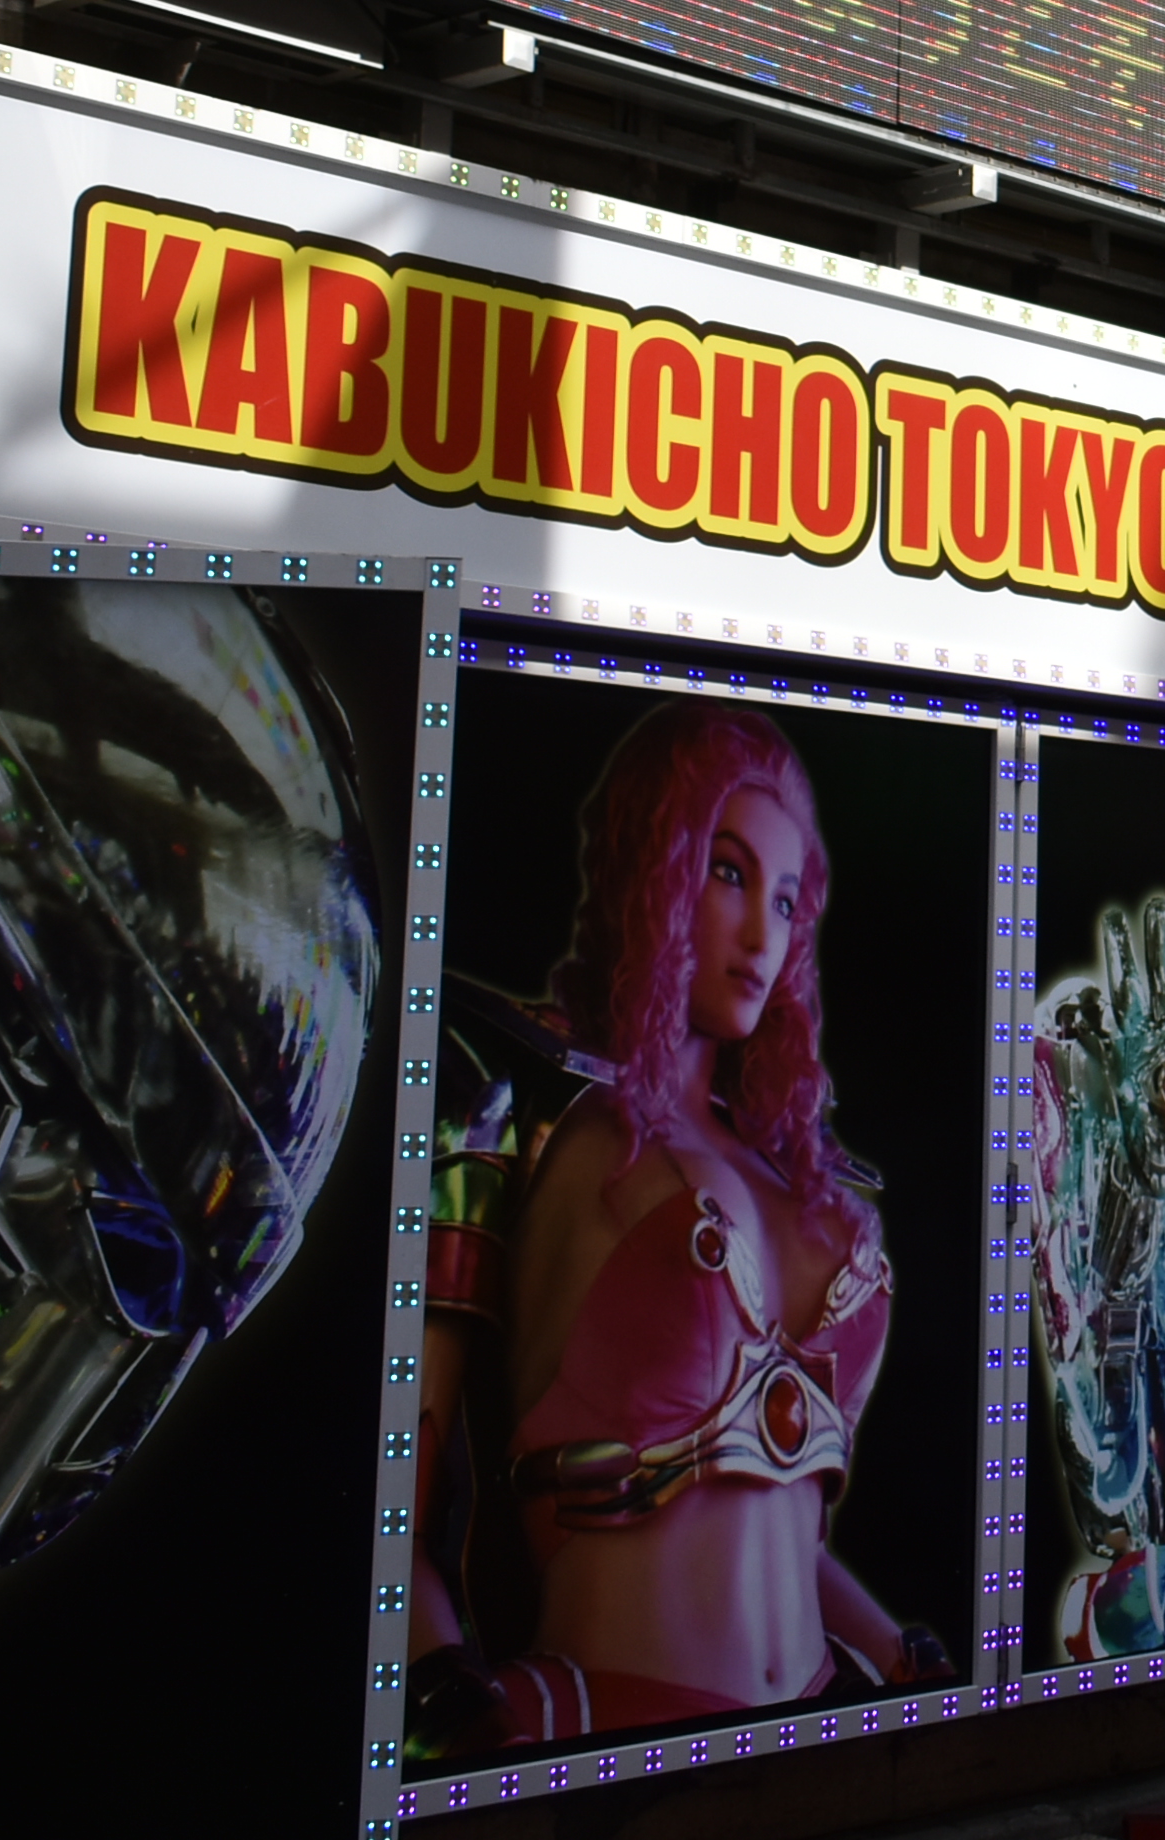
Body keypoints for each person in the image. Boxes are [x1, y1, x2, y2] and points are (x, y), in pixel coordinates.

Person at [453, 704, 947, 1741]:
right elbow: (411, 1471)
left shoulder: (793, 1169)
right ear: (656, 867)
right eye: (727, 873)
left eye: (785, 898)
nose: (764, 935)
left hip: (816, 1715)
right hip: (611, 1724)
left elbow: (771, 1518)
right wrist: (433, 1685)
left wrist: (898, 1655)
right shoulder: (531, 1112)